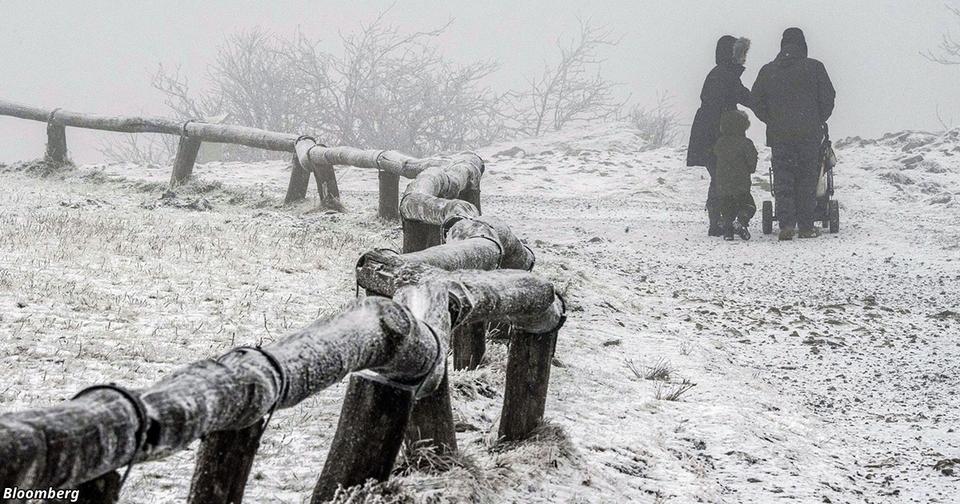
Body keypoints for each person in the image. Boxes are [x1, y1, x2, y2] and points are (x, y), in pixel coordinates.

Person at [751, 27, 836, 240]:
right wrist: (817, 119)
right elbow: (828, 97)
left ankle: (787, 225)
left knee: (783, 179)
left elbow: (756, 100)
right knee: (807, 179)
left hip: (780, 136)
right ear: (803, 46)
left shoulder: (768, 71)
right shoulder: (815, 68)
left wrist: (771, 119)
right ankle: (806, 226)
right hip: (808, 135)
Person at [687, 35, 754, 236]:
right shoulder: (726, 75)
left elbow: (740, 96)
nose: (744, 58)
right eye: (742, 54)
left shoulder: (721, 74)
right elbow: (744, 97)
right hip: (716, 134)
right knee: (720, 177)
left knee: (718, 177)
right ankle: (720, 221)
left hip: (708, 133)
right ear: (732, 55)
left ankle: (717, 221)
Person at [713, 109, 758, 240]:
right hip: (741, 185)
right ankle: (741, 222)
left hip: (723, 185)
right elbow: (752, 165)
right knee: (749, 206)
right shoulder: (746, 144)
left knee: (727, 209)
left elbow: (715, 158)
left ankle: (728, 231)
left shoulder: (720, 143)